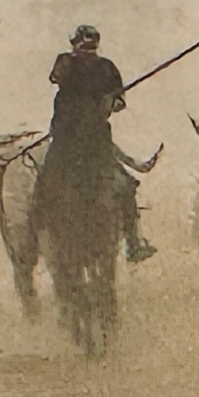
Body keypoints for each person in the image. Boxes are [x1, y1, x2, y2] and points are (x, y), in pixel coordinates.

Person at [39, 25, 156, 263]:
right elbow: (57, 76)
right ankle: (37, 232)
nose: (88, 51)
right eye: (83, 46)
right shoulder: (66, 63)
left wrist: (111, 101)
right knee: (44, 183)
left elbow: (120, 102)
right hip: (65, 140)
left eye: (91, 46)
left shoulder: (107, 68)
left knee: (124, 186)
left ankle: (134, 242)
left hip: (97, 141)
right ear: (74, 45)